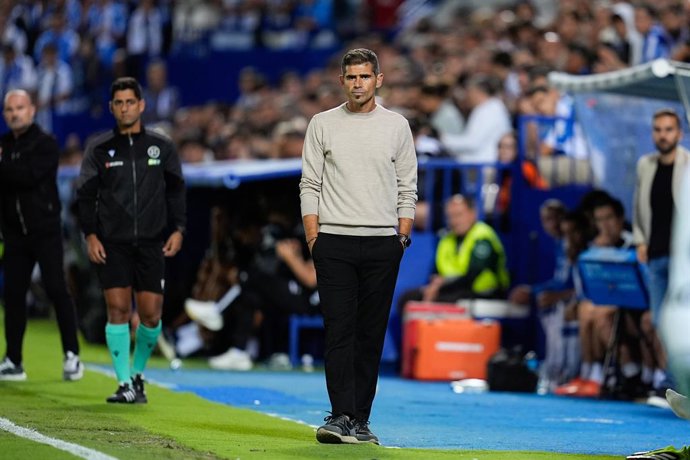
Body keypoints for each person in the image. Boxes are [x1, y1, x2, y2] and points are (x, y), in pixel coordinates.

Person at [299, 48, 417, 445]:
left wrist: (401, 235)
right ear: (342, 81)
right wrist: (314, 237)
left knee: (370, 334)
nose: (358, 84)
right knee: (338, 331)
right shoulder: (322, 124)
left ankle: (360, 420)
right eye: (351, 77)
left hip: (383, 243)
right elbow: (309, 183)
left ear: (378, 80)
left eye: (365, 77)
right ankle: (341, 415)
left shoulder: (397, 126)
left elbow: (407, 186)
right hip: (333, 242)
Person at [75, 77, 186, 404]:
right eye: (118, 103)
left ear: (141, 105)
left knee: (151, 316)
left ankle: (138, 375)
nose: (125, 108)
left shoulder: (162, 147)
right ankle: (123, 382)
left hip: (152, 242)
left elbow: (177, 191)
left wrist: (178, 228)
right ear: (111, 108)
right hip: (113, 243)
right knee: (118, 309)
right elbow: (85, 196)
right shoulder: (98, 148)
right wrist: (90, 234)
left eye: (130, 102)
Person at [0, 89, 83, 382]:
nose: (14, 114)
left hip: (44, 231)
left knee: (56, 289)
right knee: (12, 295)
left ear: (32, 110)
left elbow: (29, 176)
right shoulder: (5, 144)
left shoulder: (46, 144)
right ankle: (13, 359)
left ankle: (72, 355)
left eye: (19, 108)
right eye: (9, 109)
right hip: (14, 234)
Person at [633, 108, 690, 400]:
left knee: (681, 319)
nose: (663, 135)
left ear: (679, 134)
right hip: (655, 253)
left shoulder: (688, 164)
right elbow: (638, 206)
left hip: (684, 259)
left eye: (668, 129)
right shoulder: (646, 165)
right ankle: (669, 379)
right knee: (658, 321)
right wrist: (640, 240)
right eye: (658, 129)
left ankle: (674, 381)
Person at [397, 194, 510, 312]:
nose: (455, 221)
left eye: (459, 215)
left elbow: (472, 276)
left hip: (483, 292)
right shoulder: (446, 239)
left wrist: (441, 286)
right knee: (408, 298)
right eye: (451, 216)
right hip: (451, 289)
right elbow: (436, 272)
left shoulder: (483, 236)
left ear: (473, 214)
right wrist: (433, 286)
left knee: (441, 302)